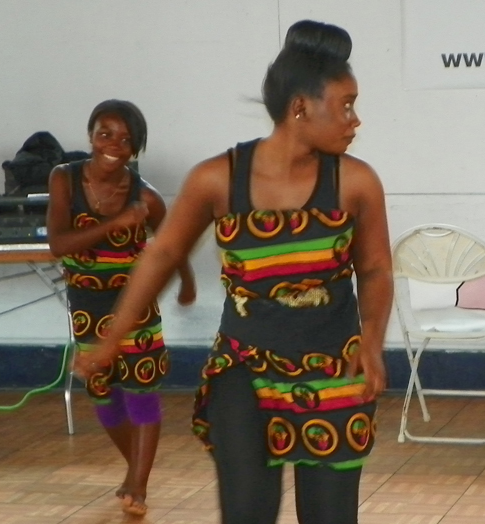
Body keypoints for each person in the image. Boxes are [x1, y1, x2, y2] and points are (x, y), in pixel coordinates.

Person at [74, 20, 393, 524]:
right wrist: (111, 343)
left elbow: (375, 270)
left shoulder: (355, 183)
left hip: (337, 368)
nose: (356, 120)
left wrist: (371, 343)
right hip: (244, 370)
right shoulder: (217, 179)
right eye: (346, 104)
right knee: (247, 513)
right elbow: (159, 257)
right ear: (301, 108)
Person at [47, 99, 196, 517]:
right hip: (87, 309)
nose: (113, 144)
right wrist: (114, 225)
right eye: (105, 133)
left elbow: (171, 245)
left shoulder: (145, 197)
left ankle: (140, 484)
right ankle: (135, 468)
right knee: (103, 394)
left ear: (136, 149)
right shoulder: (64, 180)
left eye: (125, 139)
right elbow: (58, 244)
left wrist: (186, 280)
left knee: (141, 392)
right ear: (91, 135)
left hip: (136, 306)